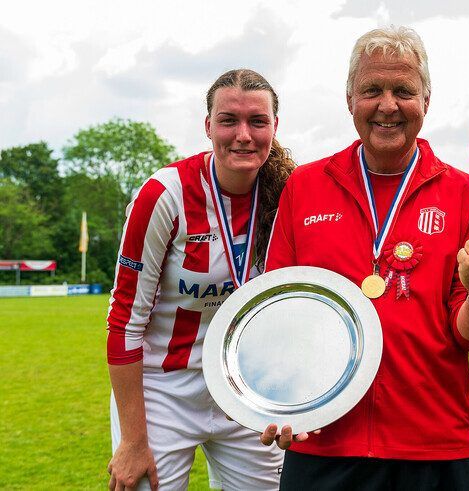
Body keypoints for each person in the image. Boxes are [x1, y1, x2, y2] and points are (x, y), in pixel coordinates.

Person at [260, 26, 469, 490]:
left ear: (427, 100)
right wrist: (273, 400)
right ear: (350, 99)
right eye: (372, 90)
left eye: (404, 91)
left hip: (435, 444)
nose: (388, 105)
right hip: (323, 440)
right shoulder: (306, 186)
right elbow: (278, 312)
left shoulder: (465, 195)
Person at [106, 69, 295, 490]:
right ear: (208, 126)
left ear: (274, 127)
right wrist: (134, 440)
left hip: (249, 389)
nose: (243, 135)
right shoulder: (163, 196)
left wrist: (291, 402)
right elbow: (124, 321)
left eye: (257, 121)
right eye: (228, 120)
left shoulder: (290, 195)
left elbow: (295, 313)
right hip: (163, 391)